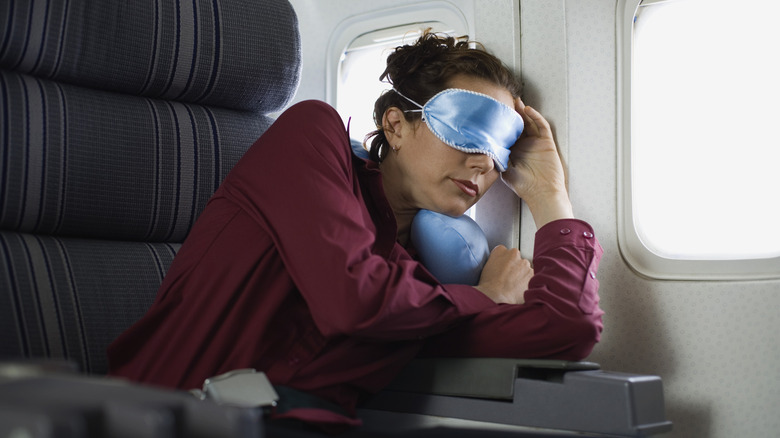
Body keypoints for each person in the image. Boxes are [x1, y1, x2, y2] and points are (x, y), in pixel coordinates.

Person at [107, 31, 604, 435]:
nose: (484, 162)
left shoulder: (418, 282)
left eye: (502, 150)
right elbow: (354, 301)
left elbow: (567, 327)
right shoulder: (310, 138)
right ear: (395, 125)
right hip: (169, 416)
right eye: (469, 129)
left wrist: (549, 197)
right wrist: (486, 296)